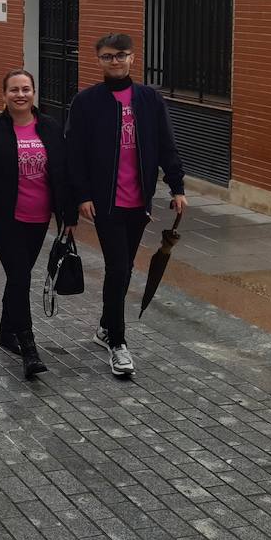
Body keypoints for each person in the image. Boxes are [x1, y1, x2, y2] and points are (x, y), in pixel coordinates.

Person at [66, 32, 187, 379]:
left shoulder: (149, 99)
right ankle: (118, 343)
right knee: (118, 268)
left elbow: (167, 145)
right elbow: (76, 154)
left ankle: (105, 325)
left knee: (125, 267)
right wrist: (82, 196)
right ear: (99, 60)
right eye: (107, 56)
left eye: (120, 55)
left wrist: (177, 187)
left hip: (139, 202)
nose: (115, 61)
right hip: (106, 203)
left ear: (133, 58)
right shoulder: (86, 102)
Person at [0, 69, 72, 378]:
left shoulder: (51, 128)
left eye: (26, 89)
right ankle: (29, 348)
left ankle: (6, 332)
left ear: (34, 93)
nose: (20, 95)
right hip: (3, 218)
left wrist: (67, 216)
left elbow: (63, 173)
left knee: (19, 276)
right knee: (19, 275)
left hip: (39, 216)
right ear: (4, 95)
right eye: (14, 90)